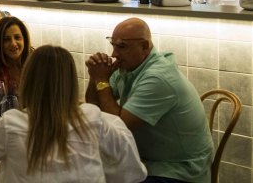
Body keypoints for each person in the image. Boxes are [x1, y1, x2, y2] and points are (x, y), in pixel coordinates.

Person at [0, 45, 147, 183]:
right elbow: (132, 171)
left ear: (28, 81)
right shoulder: (93, 118)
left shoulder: (12, 124)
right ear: (71, 83)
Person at [85, 17, 213, 183]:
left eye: (122, 46)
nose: (114, 54)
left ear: (144, 46)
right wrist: (95, 76)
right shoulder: (129, 66)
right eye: (113, 45)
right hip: (145, 160)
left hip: (178, 170)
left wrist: (102, 81)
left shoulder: (157, 77)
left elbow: (120, 127)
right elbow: (92, 107)